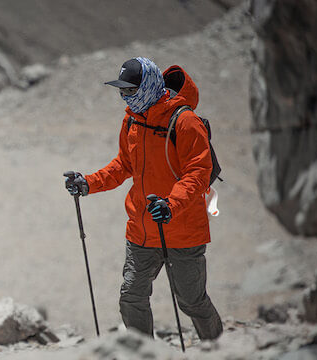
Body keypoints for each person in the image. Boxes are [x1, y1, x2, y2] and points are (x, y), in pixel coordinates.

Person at [65, 57, 223, 341]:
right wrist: (87, 183)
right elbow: (124, 165)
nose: (125, 96)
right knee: (131, 296)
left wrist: (170, 205)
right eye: (122, 91)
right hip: (141, 230)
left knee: (191, 301)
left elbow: (198, 173)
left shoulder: (186, 121)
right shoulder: (132, 120)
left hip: (183, 232)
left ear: (149, 86)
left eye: (130, 90)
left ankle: (219, 349)